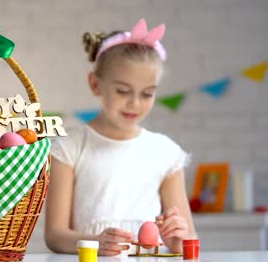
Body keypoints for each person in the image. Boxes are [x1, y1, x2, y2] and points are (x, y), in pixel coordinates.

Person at [44, 18, 197, 256]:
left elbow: (188, 240)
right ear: (95, 84)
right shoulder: (69, 148)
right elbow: (55, 236)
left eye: (147, 94)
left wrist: (177, 238)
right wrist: (95, 243)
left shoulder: (166, 153)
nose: (134, 103)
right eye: (123, 91)